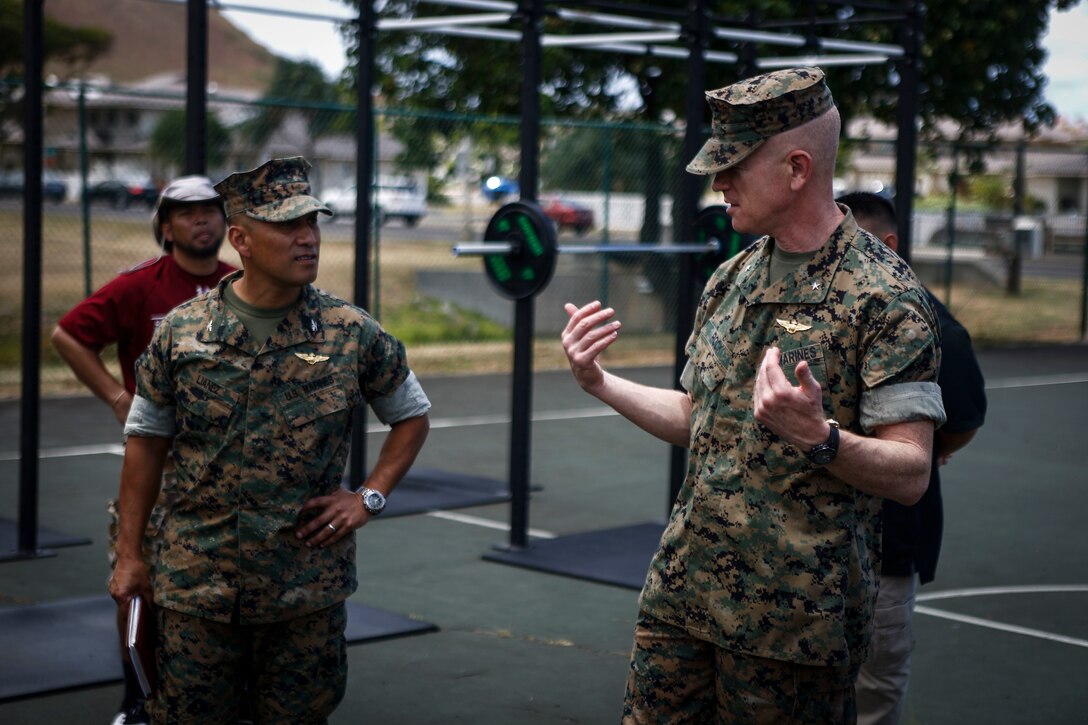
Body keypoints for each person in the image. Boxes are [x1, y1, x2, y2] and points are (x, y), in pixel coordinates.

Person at [561, 67, 947, 723]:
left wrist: (819, 437)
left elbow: (910, 472)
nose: (718, 183)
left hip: (793, 628)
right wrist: (599, 381)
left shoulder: (887, 298)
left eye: (734, 166)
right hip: (683, 598)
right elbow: (697, 417)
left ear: (797, 169)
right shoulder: (730, 279)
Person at [108, 157, 431, 724]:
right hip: (196, 587)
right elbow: (145, 443)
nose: (308, 239)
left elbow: (411, 415)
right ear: (242, 239)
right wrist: (131, 555)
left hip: (303, 592)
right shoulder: (181, 333)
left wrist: (369, 496)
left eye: (313, 224)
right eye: (287, 226)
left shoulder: (350, 332)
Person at [51, 174, 236, 725]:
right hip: (157, 463)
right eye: (188, 213)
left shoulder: (245, 283)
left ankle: (231, 691)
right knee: (138, 576)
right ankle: (137, 695)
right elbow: (68, 335)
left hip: (228, 467)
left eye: (211, 211)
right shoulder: (139, 286)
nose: (202, 221)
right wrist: (115, 396)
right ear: (166, 227)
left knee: (227, 585)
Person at [837, 191, 987, 725]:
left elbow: (964, 421)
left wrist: (918, 451)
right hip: (818, 538)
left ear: (889, 244)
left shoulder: (936, 328)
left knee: (875, 682)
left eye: (849, 241)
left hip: (890, 539)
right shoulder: (826, 310)